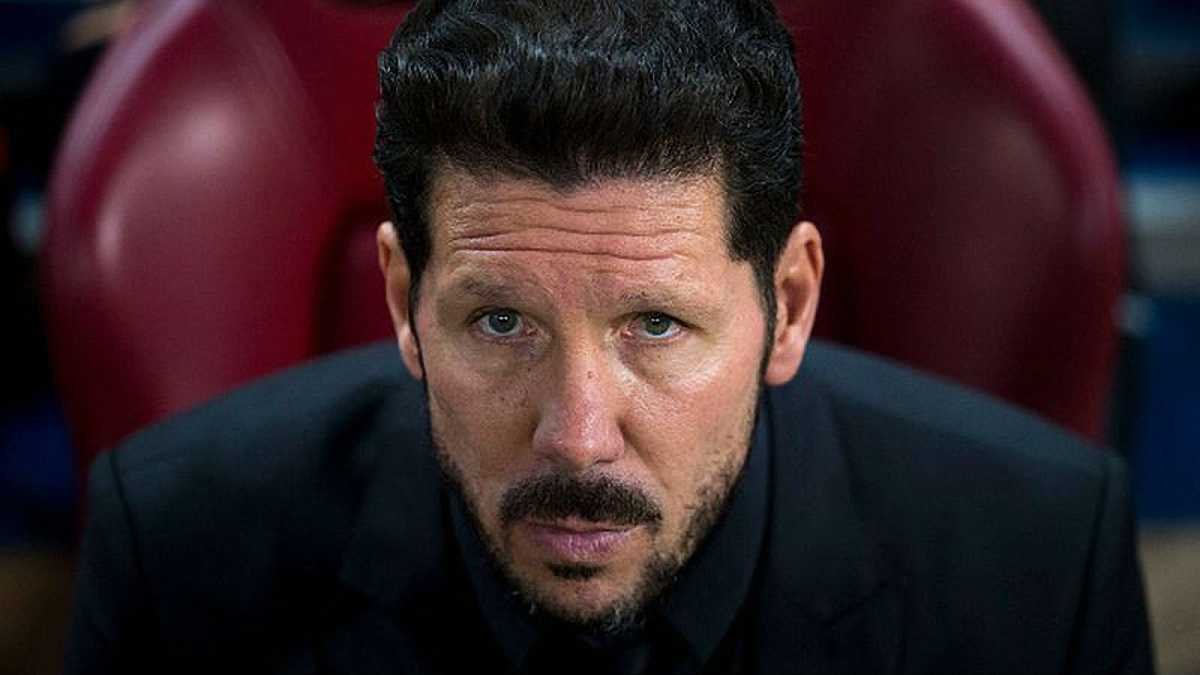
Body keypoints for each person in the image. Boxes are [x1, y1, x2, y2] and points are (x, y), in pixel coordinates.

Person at [64, 1, 1154, 673]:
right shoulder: (172, 551)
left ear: (789, 305)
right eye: (501, 322)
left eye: (656, 325)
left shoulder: (1042, 569)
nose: (578, 438)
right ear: (403, 301)